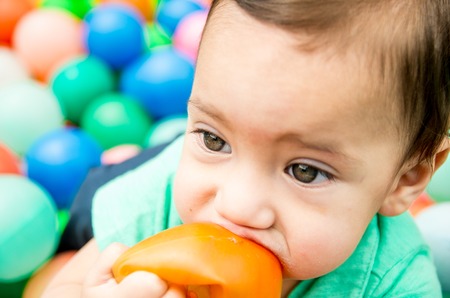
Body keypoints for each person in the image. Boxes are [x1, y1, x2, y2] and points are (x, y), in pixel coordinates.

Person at [44, 0, 450, 297]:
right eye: (213, 138)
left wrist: (220, 144)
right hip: (155, 167)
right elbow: (55, 288)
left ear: (404, 180)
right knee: (78, 221)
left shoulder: (395, 283)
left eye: (304, 171)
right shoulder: (158, 204)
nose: (236, 207)